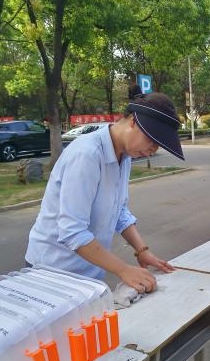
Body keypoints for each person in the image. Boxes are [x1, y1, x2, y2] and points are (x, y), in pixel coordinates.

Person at [25, 92, 185, 293]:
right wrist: (124, 270)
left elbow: (119, 210)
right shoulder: (87, 155)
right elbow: (72, 231)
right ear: (134, 122)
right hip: (53, 274)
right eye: (151, 140)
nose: (153, 149)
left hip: (89, 273)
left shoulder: (125, 155)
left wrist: (142, 250)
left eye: (158, 145)